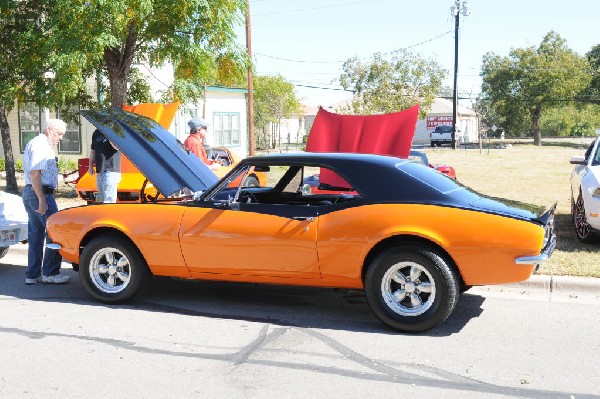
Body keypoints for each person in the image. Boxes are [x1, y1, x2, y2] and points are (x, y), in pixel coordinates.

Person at [21, 119, 71, 285]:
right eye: (59, 134)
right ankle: (50, 272)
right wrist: (42, 199)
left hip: (31, 192)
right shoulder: (41, 146)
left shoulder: (36, 143)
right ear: (49, 130)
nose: (61, 138)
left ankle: (32, 274)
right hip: (39, 193)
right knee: (54, 233)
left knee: (35, 235)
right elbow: (35, 174)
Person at [88, 129, 121, 203]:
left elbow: (116, 147)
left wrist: (109, 134)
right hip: (99, 171)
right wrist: (90, 166)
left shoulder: (115, 131)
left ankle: (109, 214)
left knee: (109, 200)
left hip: (111, 171)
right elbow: (93, 150)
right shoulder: (97, 132)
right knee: (102, 200)